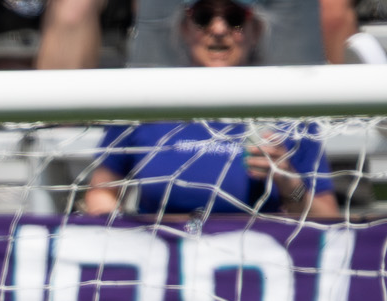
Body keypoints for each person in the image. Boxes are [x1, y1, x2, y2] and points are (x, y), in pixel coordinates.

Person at [84, 0, 338, 218]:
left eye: (234, 19)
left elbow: (328, 220)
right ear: (184, 29)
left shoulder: (288, 113)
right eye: (203, 18)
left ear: (255, 31)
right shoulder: (146, 103)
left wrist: (288, 180)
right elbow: (102, 192)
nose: (218, 29)